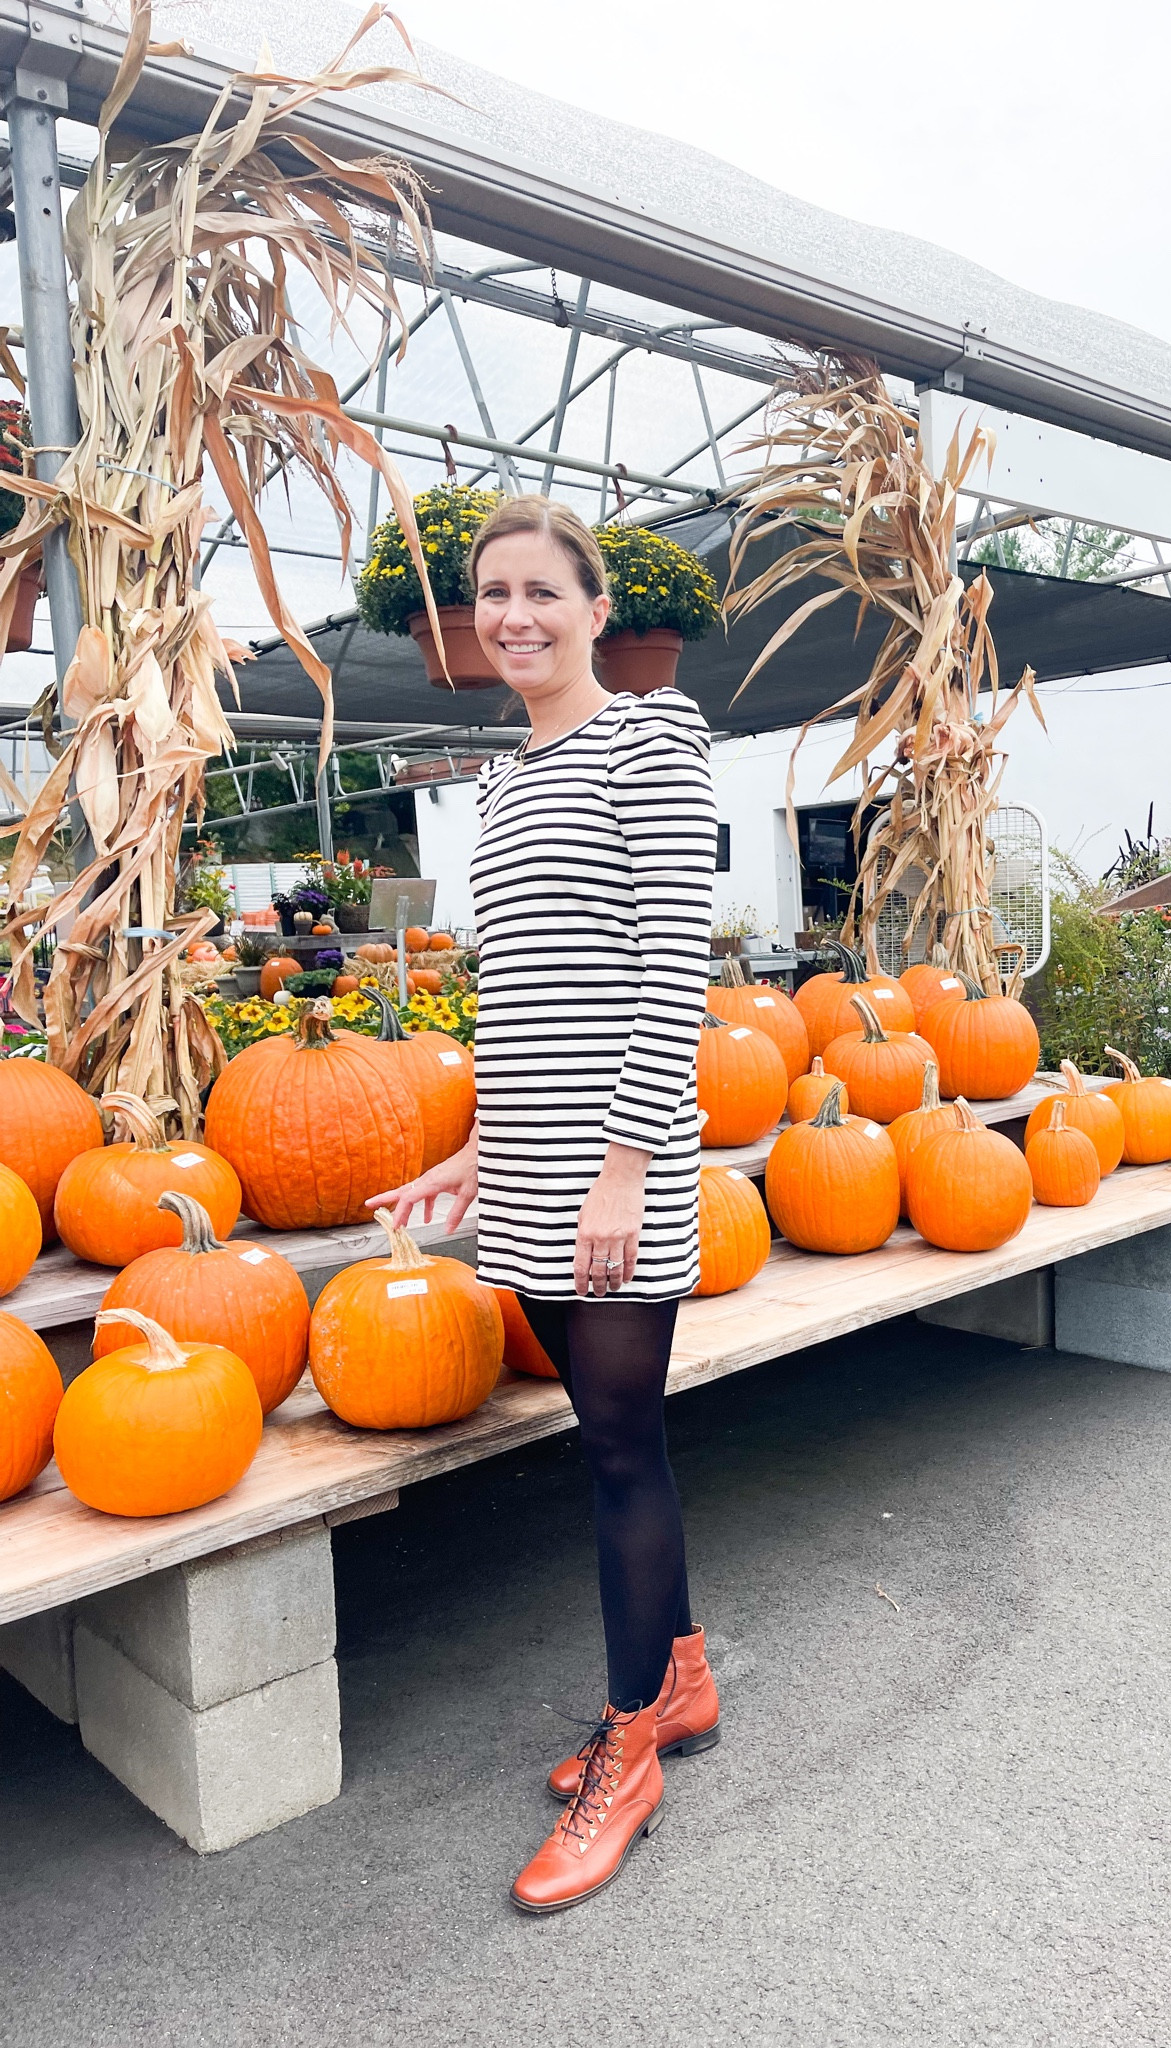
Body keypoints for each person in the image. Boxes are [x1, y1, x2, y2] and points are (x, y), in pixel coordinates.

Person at [368, 495, 720, 1915]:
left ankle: (628, 1753)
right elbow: (524, 1003)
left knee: (622, 1452)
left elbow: (666, 964)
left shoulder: (654, 736)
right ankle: (681, 1680)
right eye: (490, 594)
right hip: (529, 1175)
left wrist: (629, 1163)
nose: (513, 614)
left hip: (619, 1175)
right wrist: (474, 1151)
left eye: (541, 591)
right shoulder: (505, 781)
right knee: (611, 1444)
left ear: (595, 609)